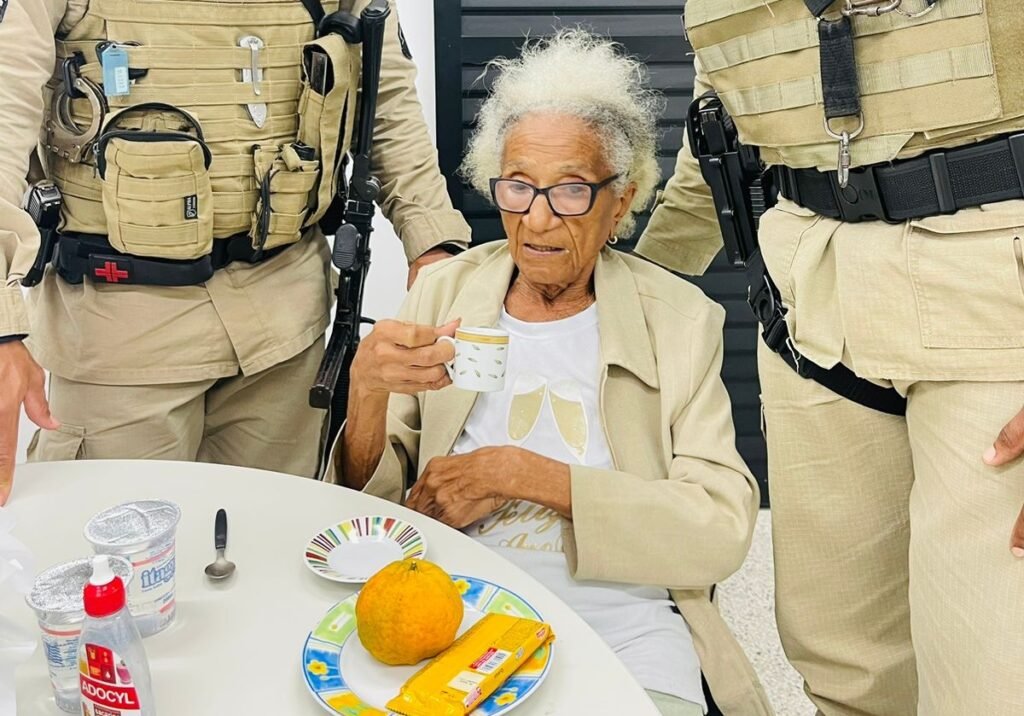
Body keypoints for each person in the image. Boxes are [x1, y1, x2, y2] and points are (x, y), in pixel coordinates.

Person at [331, 31, 772, 716]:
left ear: (620, 202)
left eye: (570, 190)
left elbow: (718, 531)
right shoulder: (444, 292)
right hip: (447, 614)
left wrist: (523, 474)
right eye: (517, 187)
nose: (536, 218)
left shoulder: (679, 319)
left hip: (621, 623)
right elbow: (368, 511)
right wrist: (366, 390)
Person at [636, 2, 1024, 714]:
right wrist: (633, 290)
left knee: (993, 671)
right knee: (841, 659)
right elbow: (724, 118)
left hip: (996, 295)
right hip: (807, 301)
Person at [0, 0, 471, 503]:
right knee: (118, 561)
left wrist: (434, 246)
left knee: (273, 548)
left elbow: (387, 99)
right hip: (119, 338)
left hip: (284, 329)